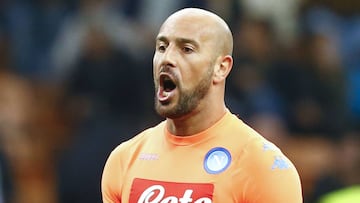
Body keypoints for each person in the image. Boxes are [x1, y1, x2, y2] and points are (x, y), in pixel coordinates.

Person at [101, 8, 302, 202]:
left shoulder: (263, 168)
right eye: (162, 47)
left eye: (187, 49)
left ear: (221, 68)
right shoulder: (123, 160)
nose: (167, 58)